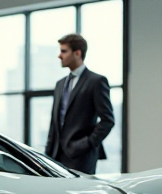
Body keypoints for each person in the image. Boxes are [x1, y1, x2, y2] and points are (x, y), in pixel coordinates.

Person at [45, 33, 114, 175]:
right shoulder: (60, 84)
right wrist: (47, 154)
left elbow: (108, 120)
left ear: (77, 53)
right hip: (56, 157)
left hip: (81, 157)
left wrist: (87, 143)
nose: (59, 55)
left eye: (64, 51)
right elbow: (55, 122)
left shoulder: (96, 81)